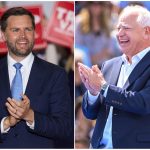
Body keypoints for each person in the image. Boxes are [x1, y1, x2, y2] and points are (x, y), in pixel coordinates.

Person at [78, 5, 150, 148]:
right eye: (118, 28)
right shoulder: (109, 65)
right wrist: (92, 92)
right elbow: (90, 114)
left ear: (146, 32)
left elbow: (143, 103)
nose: (119, 33)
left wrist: (103, 87)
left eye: (126, 28)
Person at [0, 7, 72, 148]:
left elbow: (65, 128)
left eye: (28, 29)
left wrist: (30, 116)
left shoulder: (56, 75)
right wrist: (6, 123)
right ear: (3, 35)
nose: (23, 36)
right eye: (16, 30)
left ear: (35, 33)